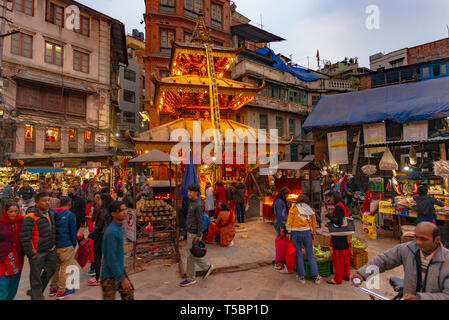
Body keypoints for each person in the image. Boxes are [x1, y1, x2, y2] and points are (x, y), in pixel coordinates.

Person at [353, 222, 449, 300]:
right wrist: (362, 274)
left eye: (423, 239)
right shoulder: (408, 249)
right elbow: (384, 259)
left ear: (437, 240)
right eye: (416, 237)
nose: (418, 242)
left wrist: (420, 298)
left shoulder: (446, 260)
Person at [21, 192, 57, 300]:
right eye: (44, 201)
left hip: (50, 250)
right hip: (37, 252)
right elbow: (25, 238)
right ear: (36, 202)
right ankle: (37, 296)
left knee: (51, 270)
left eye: (48, 200)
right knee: (35, 278)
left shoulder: (50, 213)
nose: (47, 203)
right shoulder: (30, 217)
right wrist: (32, 254)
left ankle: (36, 292)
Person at [180, 184, 213, 287]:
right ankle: (206, 268)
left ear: (196, 192)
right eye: (188, 191)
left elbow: (201, 221)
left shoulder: (198, 204)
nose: (189, 193)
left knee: (190, 256)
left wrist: (199, 234)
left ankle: (191, 278)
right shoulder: (191, 202)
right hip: (190, 231)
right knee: (191, 255)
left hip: (194, 233)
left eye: (191, 191)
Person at [101, 201, 134, 300]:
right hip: (110, 276)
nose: (124, 212)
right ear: (113, 214)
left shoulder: (118, 228)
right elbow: (110, 257)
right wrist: (122, 278)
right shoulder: (111, 232)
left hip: (119, 270)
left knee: (129, 293)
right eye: (121, 210)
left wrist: (123, 261)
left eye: (125, 209)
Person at [286, 194, 321, 284]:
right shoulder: (310, 209)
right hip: (307, 233)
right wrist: (313, 233)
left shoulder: (293, 208)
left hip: (295, 233)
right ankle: (316, 277)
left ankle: (301, 277)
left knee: (299, 254)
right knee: (310, 254)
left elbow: (289, 221)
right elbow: (313, 223)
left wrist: (289, 232)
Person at [49, 196, 77, 299]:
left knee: (56, 268)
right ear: (69, 204)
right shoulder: (70, 215)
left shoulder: (53, 213)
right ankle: (62, 290)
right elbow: (72, 231)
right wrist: (74, 244)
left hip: (55, 245)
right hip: (66, 245)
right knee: (66, 268)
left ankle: (53, 288)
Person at [325, 191, 352, 285]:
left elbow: (339, 222)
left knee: (338, 258)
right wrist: (330, 223)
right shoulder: (342, 205)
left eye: (330, 198)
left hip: (338, 235)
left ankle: (337, 279)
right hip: (343, 234)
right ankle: (345, 274)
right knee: (344, 255)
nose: (330, 200)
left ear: (333, 197)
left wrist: (328, 216)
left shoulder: (339, 206)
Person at [87, 191, 113, 286]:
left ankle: (98, 277)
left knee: (97, 256)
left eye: (100, 199)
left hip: (101, 236)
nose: (99, 201)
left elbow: (99, 226)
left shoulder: (103, 211)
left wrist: (90, 235)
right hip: (109, 236)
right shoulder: (111, 210)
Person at [0, 202, 24, 300]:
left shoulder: (21, 221)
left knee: (13, 287)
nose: (13, 214)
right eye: (10, 212)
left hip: (17, 260)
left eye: (15, 211)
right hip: (2, 260)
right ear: (5, 212)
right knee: (3, 288)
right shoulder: (1, 222)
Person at [86, 192, 102, 277]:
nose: (97, 199)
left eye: (99, 197)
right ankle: (93, 268)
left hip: (97, 230)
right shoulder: (91, 206)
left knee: (95, 249)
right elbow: (88, 215)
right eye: (96, 197)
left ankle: (94, 268)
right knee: (92, 249)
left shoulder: (102, 208)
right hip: (92, 229)